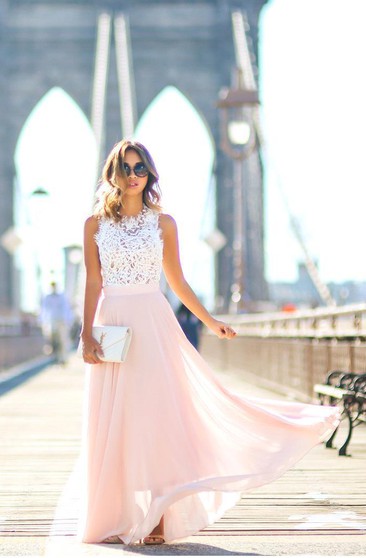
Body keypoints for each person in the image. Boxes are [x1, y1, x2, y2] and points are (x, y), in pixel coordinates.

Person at [78, 139, 340, 546]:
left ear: (149, 174)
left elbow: (177, 282)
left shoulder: (163, 224)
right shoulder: (94, 225)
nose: (133, 176)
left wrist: (210, 321)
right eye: (125, 168)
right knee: (117, 420)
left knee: (158, 418)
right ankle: (114, 517)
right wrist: (85, 333)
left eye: (140, 168)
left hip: (152, 323)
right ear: (112, 172)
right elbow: (93, 280)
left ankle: (161, 517)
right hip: (111, 324)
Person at [40, 281, 73, 364]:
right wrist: (42, 322)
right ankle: (54, 356)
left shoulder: (62, 297)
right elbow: (44, 310)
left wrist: (68, 321)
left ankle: (63, 359)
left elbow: (66, 309)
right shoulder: (47, 297)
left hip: (62, 322)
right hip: (51, 322)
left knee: (63, 340)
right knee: (51, 339)